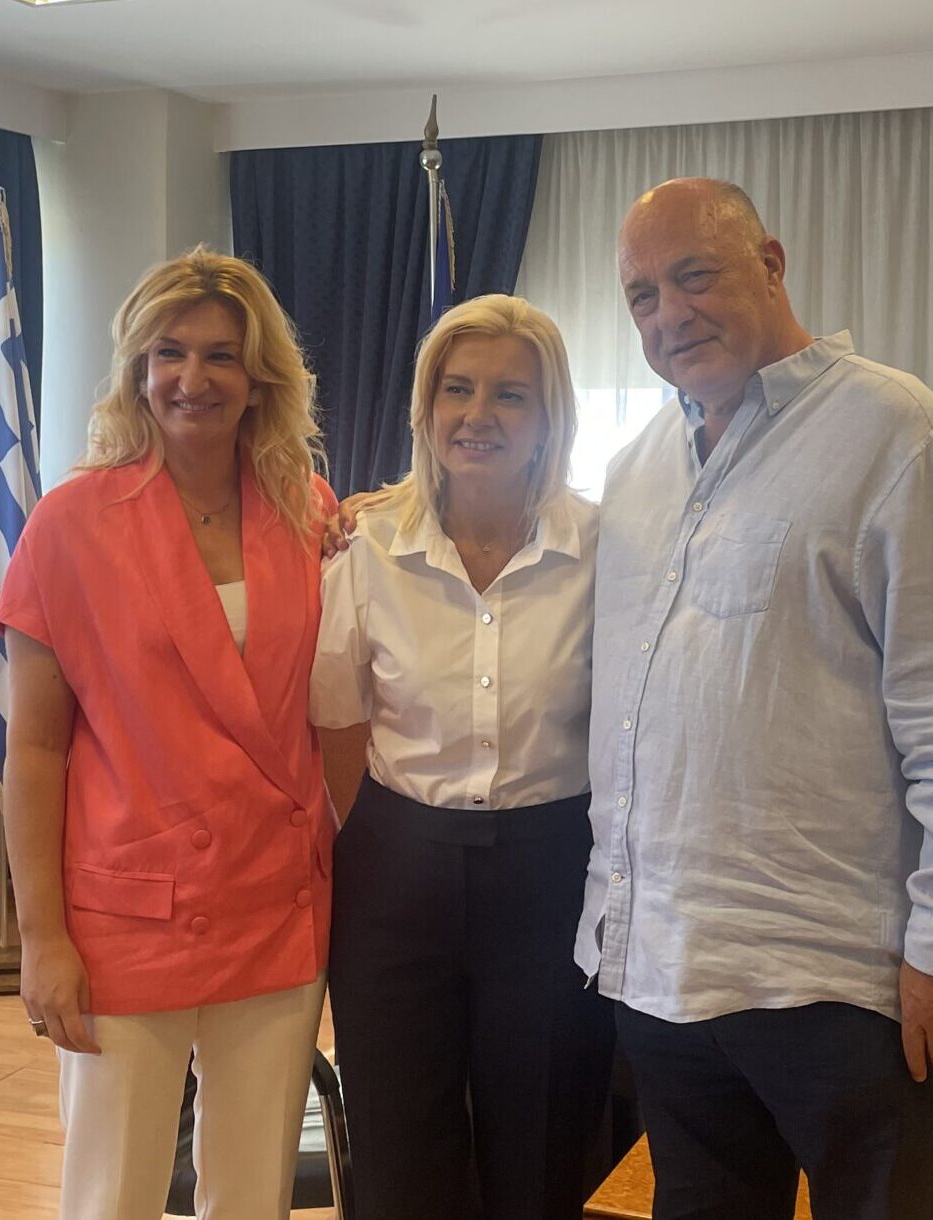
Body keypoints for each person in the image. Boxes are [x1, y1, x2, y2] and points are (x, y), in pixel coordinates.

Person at [578, 177, 933, 1220]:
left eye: (695, 276)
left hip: (840, 980)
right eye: (643, 295)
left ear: (772, 265)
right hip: (662, 971)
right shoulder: (638, 467)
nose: (669, 314)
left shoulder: (899, 434)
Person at [0, 247, 336, 1220]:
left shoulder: (306, 509)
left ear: (259, 377)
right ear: (138, 370)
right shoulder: (69, 524)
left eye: (222, 355)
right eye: (170, 353)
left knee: (253, 1194)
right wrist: (41, 938)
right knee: (113, 1193)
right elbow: (36, 749)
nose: (194, 377)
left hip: (273, 899)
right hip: (126, 916)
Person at [311, 294, 615, 1220]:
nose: (478, 415)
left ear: (550, 416)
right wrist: (385, 838)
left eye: (510, 395)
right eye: (457, 389)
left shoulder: (605, 549)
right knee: (401, 1140)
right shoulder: (366, 544)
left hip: (553, 869)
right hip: (397, 874)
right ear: (426, 406)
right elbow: (335, 717)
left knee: (545, 1141)